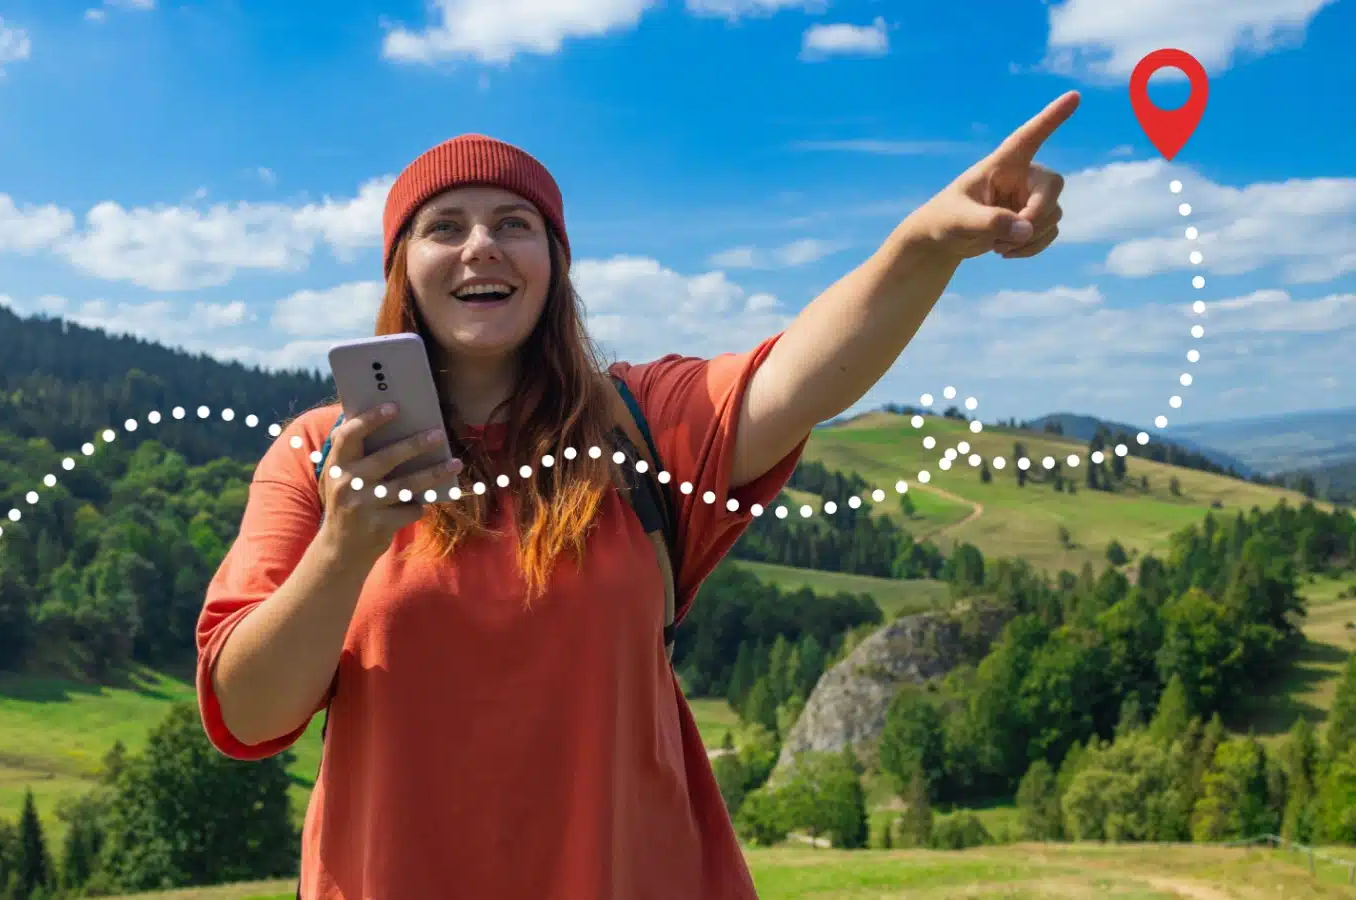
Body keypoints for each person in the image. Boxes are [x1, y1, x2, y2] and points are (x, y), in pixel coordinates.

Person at [196, 90, 1076, 900]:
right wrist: (343, 546)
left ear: (554, 264)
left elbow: (806, 373)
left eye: (515, 223)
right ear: (403, 266)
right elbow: (246, 714)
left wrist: (924, 241)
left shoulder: (641, 423)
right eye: (443, 227)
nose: (481, 247)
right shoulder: (321, 454)